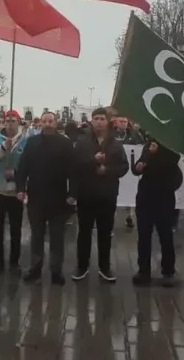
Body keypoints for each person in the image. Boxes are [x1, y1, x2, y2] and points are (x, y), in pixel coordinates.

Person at [15, 111, 77, 286]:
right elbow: (22, 167)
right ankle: (35, 268)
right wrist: (20, 188)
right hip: (36, 198)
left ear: (56, 123)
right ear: (40, 123)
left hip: (59, 199)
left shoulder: (65, 144)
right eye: (44, 121)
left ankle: (56, 271)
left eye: (51, 121)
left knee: (57, 237)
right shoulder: (32, 142)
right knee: (37, 235)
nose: (48, 124)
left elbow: (73, 171)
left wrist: (73, 193)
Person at [71, 108, 129, 283]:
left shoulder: (116, 144)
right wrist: (93, 161)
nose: (98, 122)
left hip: (107, 195)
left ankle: (105, 267)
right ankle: (82, 266)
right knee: (84, 232)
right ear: (91, 121)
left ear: (107, 121)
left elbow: (124, 167)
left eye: (102, 118)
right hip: (86, 195)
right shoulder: (82, 142)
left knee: (105, 232)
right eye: (95, 118)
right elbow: (75, 165)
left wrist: (108, 170)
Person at [132, 138, 182, 287]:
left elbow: (171, 162)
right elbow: (139, 166)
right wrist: (138, 166)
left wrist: (156, 153)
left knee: (165, 235)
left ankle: (168, 271)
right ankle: (143, 270)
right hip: (145, 197)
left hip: (164, 198)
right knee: (144, 235)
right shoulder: (148, 145)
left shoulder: (172, 148)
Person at [0, 109, 28, 274]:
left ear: (18, 122)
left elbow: (27, 165)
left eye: (13, 121)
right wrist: (3, 147)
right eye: (7, 121)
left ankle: (14, 262)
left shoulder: (25, 141)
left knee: (16, 229)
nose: (10, 124)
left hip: (16, 192)